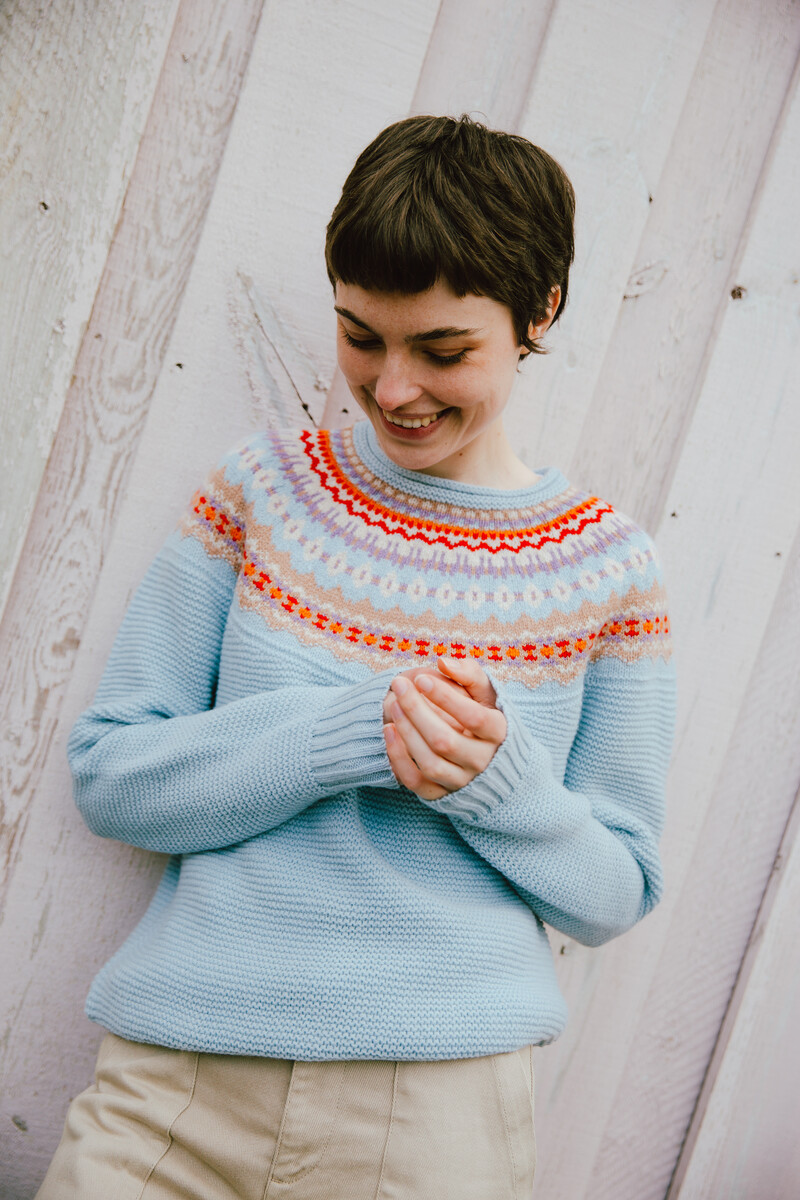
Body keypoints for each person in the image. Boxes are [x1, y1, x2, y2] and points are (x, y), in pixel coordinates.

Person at [37, 114, 675, 1199]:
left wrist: (494, 782)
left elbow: (612, 893)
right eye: (359, 335)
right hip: (177, 1084)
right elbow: (113, 779)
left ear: (538, 312)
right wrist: (343, 735)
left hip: (433, 1122)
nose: (389, 389)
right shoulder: (263, 494)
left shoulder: (607, 574)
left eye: (441, 351)